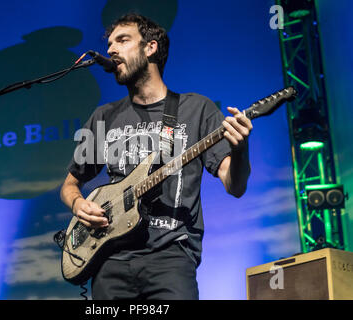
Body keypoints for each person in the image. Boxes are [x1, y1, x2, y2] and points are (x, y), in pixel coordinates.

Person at [60, 13, 252, 300]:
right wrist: (78, 205)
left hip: (170, 257)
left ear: (151, 48)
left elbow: (234, 186)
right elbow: (69, 185)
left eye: (122, 40)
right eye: (110, 43)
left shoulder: (197, 109)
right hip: (109, 260)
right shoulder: (103, 116)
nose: (111, 50)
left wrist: (240, 150)